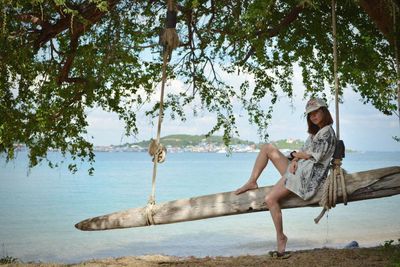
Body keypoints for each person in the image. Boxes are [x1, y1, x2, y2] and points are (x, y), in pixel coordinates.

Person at [235, 98, 337, 258]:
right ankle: (252, 181)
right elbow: (303, 151)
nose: (313, 116)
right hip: (299, 170)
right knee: (268, 148)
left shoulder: (328, 133)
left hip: (307, 178)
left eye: (316, 112)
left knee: (270, 199)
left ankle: (281, 237)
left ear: (324, 111)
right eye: (310, 114)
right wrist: (295, 160)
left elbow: (313, 156)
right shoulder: (314, 133)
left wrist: (296, 156)